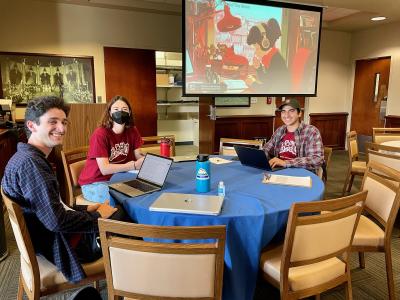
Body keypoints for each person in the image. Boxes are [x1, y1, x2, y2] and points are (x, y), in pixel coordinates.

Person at [1, 96, 117, 283]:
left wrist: (86, 209)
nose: (62, 128)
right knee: (127, 224)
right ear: (32, 126)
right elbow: (56, 221)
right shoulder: (32, 165)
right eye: (52, 122)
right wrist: (98, 217)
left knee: (114, 214)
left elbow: (49, 207)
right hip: (59, 245)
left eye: (64, 122)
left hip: (45, 237)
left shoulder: (25, 156)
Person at [78, 95, 145, 205]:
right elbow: (105, 169)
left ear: (129, 112)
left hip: (118, 178)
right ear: (109, 112)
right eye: (116, 109)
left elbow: (139, 155)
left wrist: (151, 162)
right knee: (117, 204)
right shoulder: (100, 134)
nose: (120, 112)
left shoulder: (132, 130)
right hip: (96, 182)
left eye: (124, 109)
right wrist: (133, 165)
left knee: (140, 195)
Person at [263, 98, 323, 173]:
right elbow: (266, 149)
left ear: (299, 113)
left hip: (301, 173)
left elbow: (316, 159)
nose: (286, 115)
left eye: (291, 111)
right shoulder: (280, 130)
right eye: (283, 111)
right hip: (279, 171)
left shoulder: (311, 131)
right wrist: (259, 157)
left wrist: (286, 163)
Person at [246, 18, 289, 93]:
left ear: (265, 44)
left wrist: (252, 83)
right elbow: (267, 80)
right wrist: (258, 68)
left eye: (257, 48)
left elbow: (266, 90)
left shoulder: (276, 62)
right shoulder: (272, 57)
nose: (255, 52)